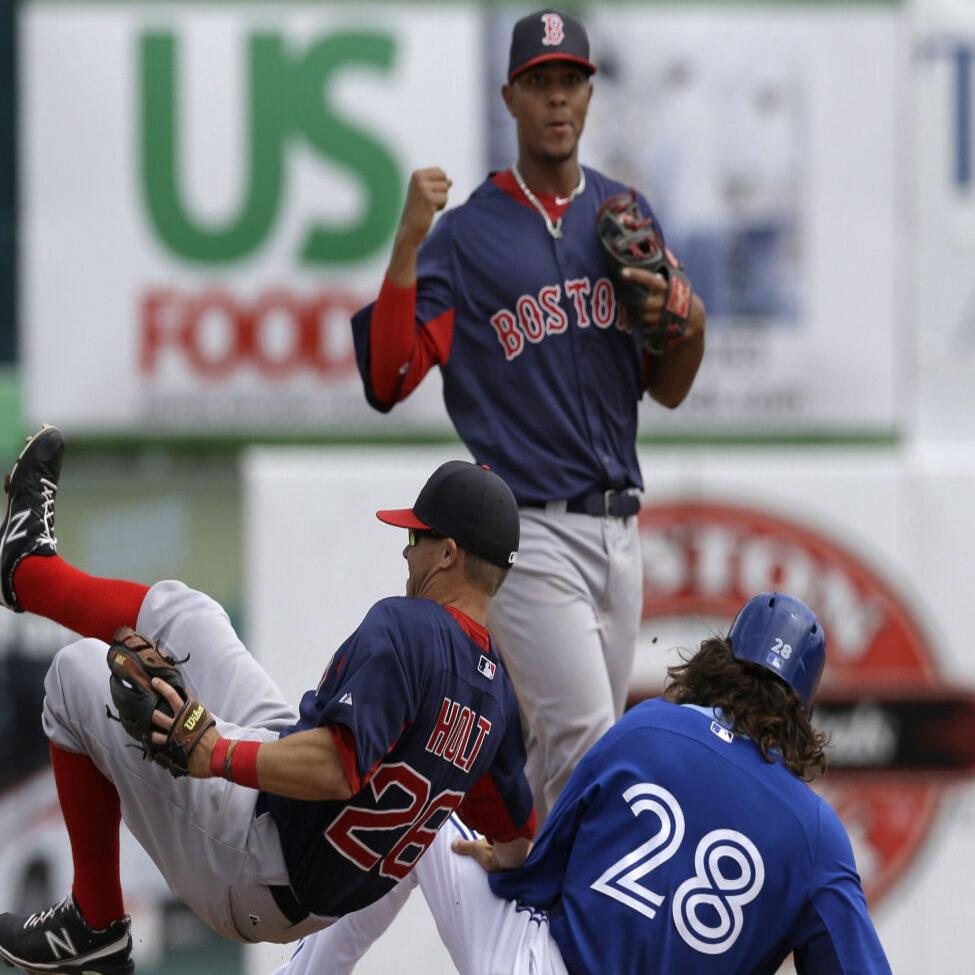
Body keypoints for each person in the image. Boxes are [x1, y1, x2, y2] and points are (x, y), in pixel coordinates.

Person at [0, 426, 536, 975]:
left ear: (448, 553)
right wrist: (503, 860)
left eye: (418, 539)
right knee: (188, 614)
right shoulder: (495, 694)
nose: (407, 550)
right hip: (307, 861)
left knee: (74, 672)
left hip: (259, 862)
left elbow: (335, 767)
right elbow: (518, 836)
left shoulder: (410, 627)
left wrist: (216, 752)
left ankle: (95, 925)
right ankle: (28, 570)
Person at [351, 8, 708, 822]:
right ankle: (585, 935)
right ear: (509, 96)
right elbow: (387, 375)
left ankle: (530, 917)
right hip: (528, 534)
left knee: (561, 751)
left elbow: (673, 383)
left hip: (620, 531)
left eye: (570, 83)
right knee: (587, 740)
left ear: (589, 95)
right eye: (539, 83)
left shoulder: (624, 215)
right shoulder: (469, 235)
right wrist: (408, 244)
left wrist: (687, 319)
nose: (557, 100)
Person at [270, 593, 892, 975]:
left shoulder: (651, 727)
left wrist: (503, 860)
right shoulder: (818, 835)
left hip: (538, 967)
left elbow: (540, 878)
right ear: (802, 712)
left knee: (421, 790)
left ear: (720, 659)